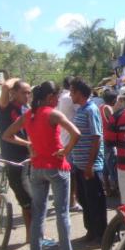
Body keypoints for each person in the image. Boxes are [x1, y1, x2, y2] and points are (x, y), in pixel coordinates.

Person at [3, 81, 81, 250]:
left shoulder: (28, 115)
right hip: (57, 167)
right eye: (56, 96)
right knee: (62, 213)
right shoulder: (53, 114)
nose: (58, 100)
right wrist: (66, 150)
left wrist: (28, 144)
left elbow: (6, 135)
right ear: (49, 97)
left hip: (36, 169)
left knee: (38, 213)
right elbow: (76, 133)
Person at [70, 78, 106, 244]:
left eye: (72, 91)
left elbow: (96, 137)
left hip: (90, 166)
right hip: (80, 165)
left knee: (95, 200)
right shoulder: (81, 110)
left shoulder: (91, 109)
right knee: (85, 200)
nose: (70, 95)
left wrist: (90, 165)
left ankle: (102, 235)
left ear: (79, 93)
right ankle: (91, 230)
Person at [0, 78, 34, 242]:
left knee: (29, 201)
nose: (27, 96)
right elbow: (5, 85)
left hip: (27, 158)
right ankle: (32, 236)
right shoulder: (5, 106)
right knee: (28, 200)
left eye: (29, 93)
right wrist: (17, 79)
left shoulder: (25, 108)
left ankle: (30, 236)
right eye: (24, 92)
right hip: (14, 159)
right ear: (13, 93)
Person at [57, 76, 82, 212]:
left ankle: (69, 200)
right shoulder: (68, 98)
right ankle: (72, 202)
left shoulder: (62, 97)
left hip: (65, 138)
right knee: (72, 174)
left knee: (69, 173)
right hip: (70, 140)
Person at [100, 90, 119, 196]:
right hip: (109, 140)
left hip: (104, 140)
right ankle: (115, 188)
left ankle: (108, 189)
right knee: (112, 165)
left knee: (106, 166)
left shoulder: (100, 107)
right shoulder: (107, 108)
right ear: (113, 100)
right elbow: (114, 121)